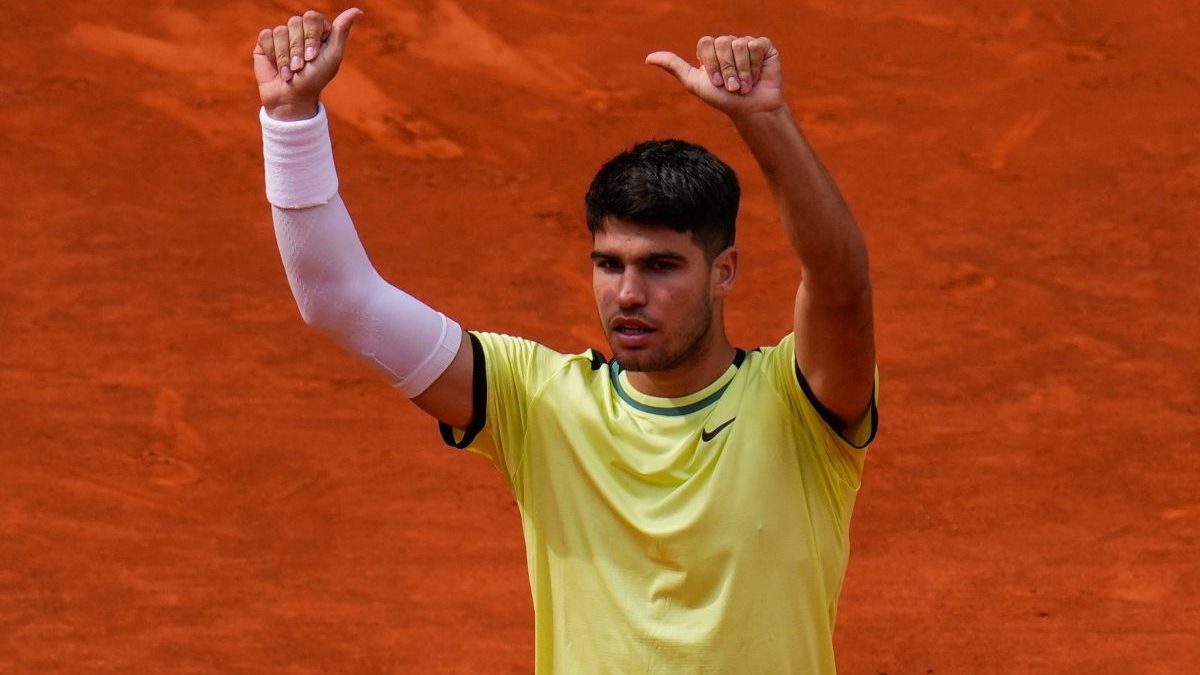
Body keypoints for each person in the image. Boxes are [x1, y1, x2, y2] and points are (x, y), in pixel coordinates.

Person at [253, 8, 878, 673]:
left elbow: (840, 286)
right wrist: (290, 118)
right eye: (609, 264)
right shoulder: (538, 403)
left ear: (723, 271)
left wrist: (764, 119)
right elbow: (340, 299)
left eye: (661, 266)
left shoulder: (799, 406)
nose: (627, 294)